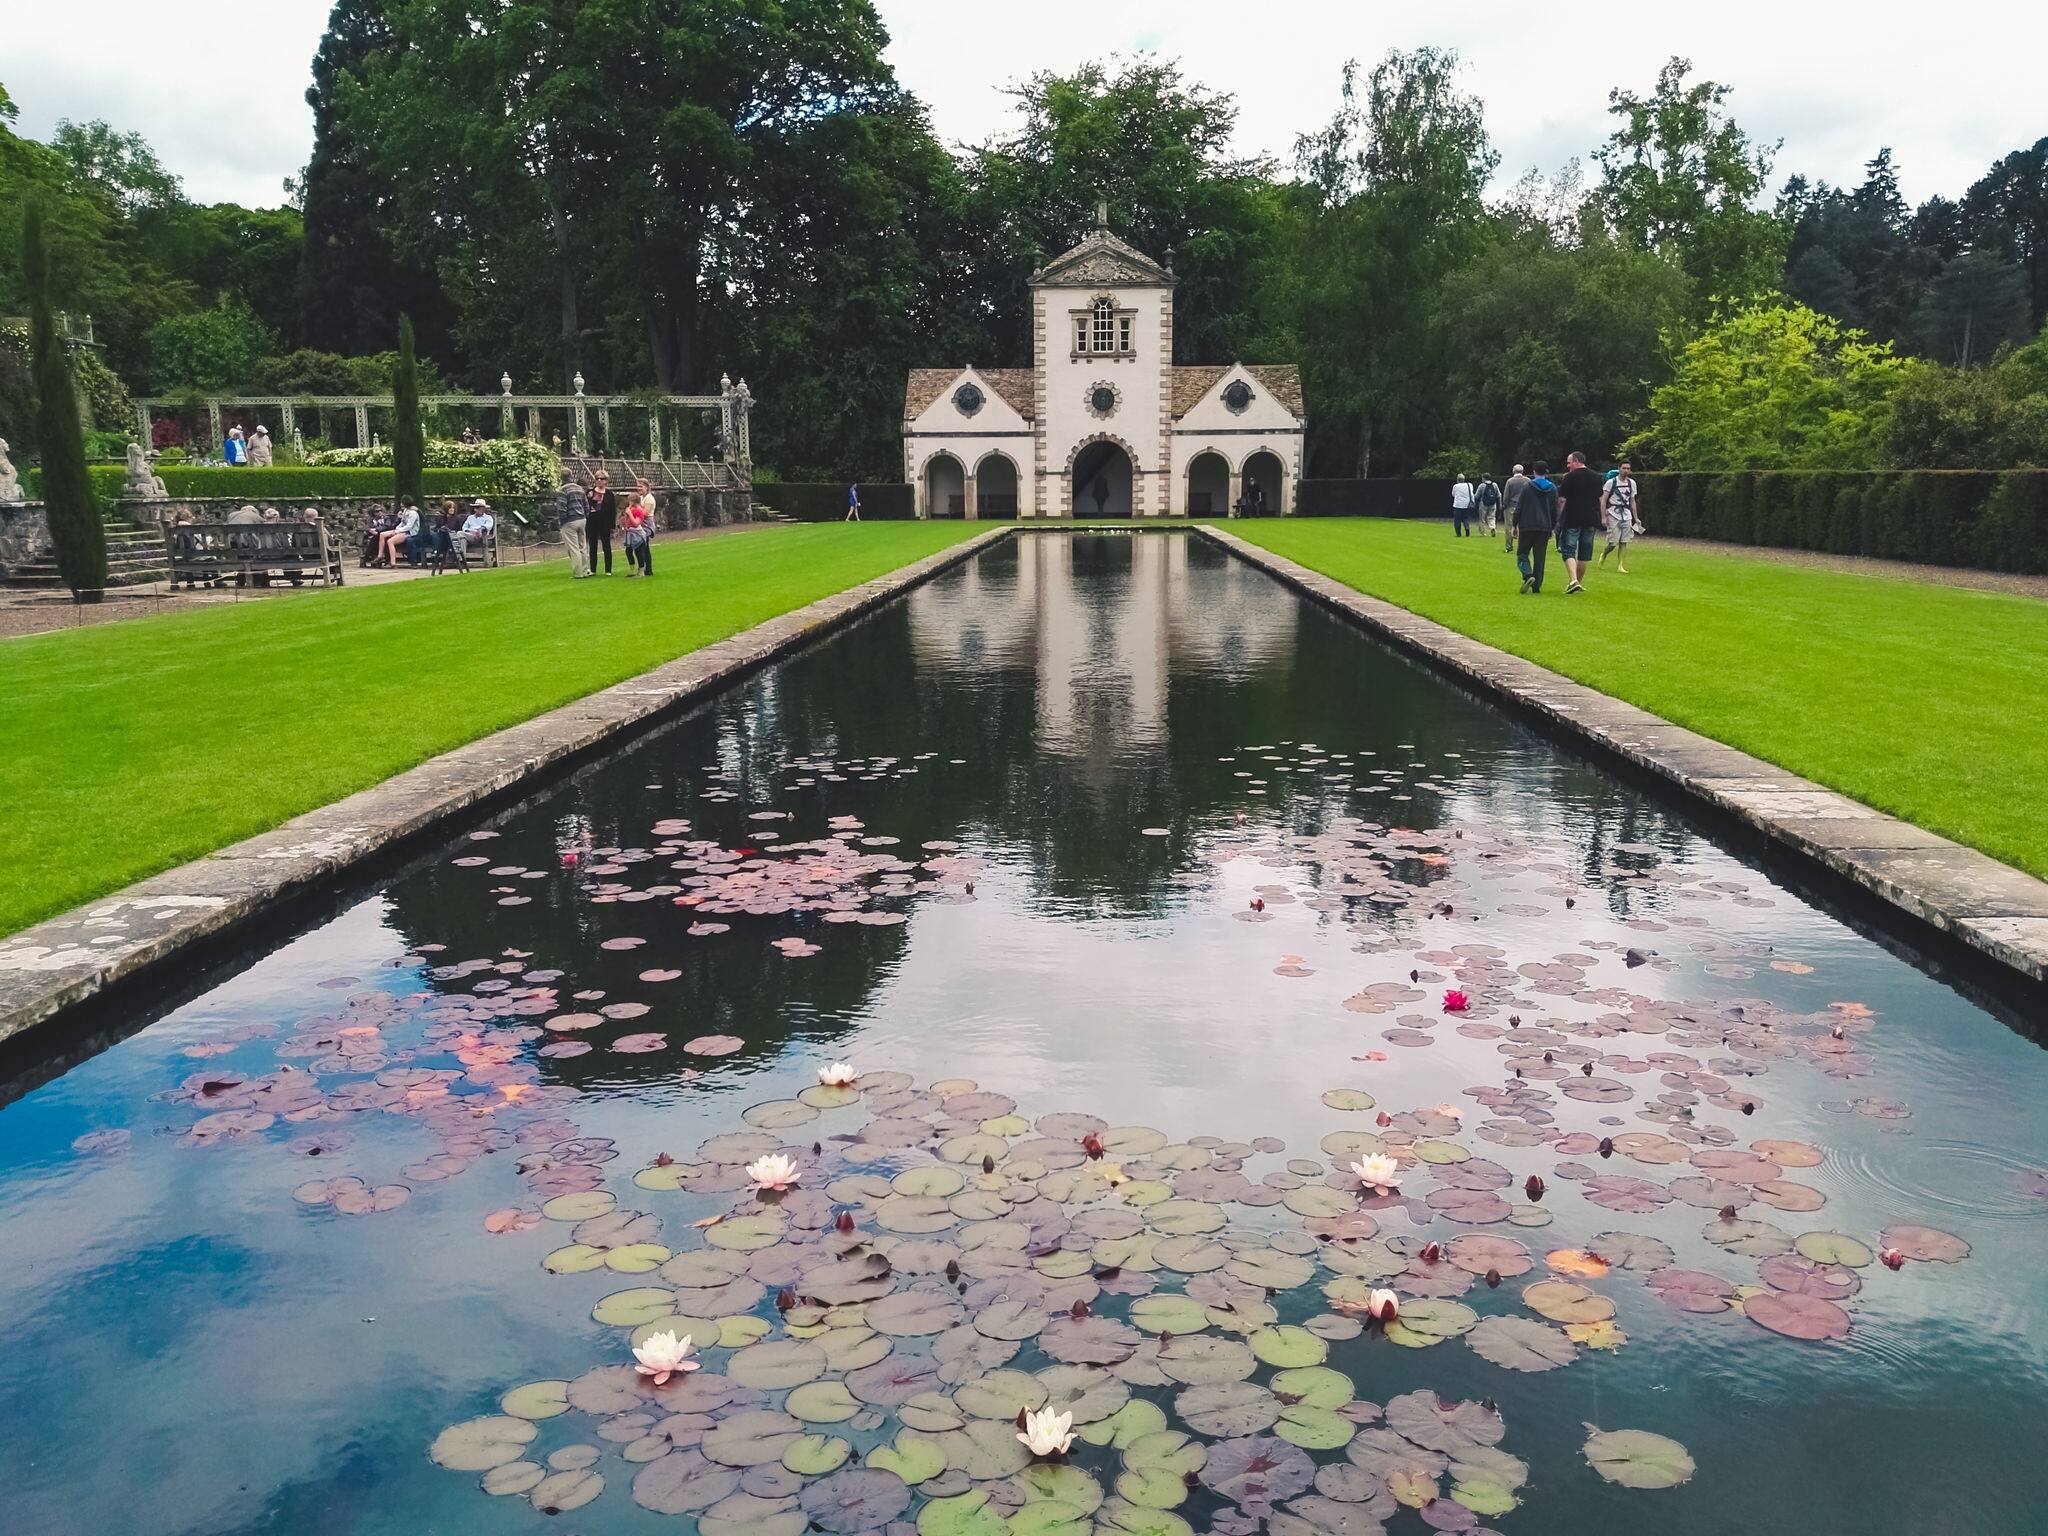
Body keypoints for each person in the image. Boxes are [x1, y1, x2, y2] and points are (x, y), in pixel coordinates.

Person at [1555, 450, 1605, 594]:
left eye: (1569, 462)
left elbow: (1562, 499)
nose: (1568, 465)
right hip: (1590, 519)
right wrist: (1602, 516)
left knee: (1569, 550)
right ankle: (1578, 583)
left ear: (1576, 461)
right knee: (1584, 553)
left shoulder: (1569, 477)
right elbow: (1600, 498)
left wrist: (1558, 517)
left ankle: (1573, 580)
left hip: (1573, 518)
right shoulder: (1596, 477)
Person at [1515, 462, 1558, 594]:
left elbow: (1520, 506)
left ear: (1534, 471)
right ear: (1546, 472)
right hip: (1544, 527)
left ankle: (1528, 575)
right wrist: (1552, 526)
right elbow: (1554, 510)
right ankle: (1536, 586)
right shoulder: (1553, 488)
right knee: (1540, 557)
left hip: (1527, 525)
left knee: (1522, 554)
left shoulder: (1527, 486)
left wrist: (1514, 524)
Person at [1599, 461, 1641, 571]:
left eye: (1628, 468)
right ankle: (1604, 553)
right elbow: (1603, 500)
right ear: (1619, 469)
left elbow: (1632, 501)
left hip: (1626, 514)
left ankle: (1620, 565)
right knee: (1613, 542)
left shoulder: (1632, 483)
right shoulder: (1610, 482)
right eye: (1624, 468)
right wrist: (1603, 517)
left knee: (1624, 541)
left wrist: (1636, 517)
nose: (1626, 470)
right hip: (1613, 513)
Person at [556, 470, 592, 578]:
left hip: (569, 521)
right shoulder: (579, 488)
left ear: (561, 478)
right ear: (571, 476)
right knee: (582, 547)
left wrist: (562, 522)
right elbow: (586, 506)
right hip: (582, 519)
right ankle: (585, 570)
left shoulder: (563, 490)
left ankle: (578, 573)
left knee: (573, 548)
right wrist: (584, 516)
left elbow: (562, 508)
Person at [585, 470, 618, 573]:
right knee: (592, 546)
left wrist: (612, 525)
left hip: (604, 523)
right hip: (592, 522)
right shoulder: (590, 493)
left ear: (606, 481)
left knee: (606, 546)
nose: (599, 480)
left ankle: (608, 570)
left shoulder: (609, 494)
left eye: (602, 479)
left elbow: (613, 510)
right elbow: (586, 507)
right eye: (597, 478)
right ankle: (593, 569)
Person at [377, 500, 420, 566]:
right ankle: (379, 556)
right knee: (382, 534)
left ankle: (393, 563)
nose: (401, 506)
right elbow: (402, 523)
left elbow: (409, 526)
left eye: (403, 504)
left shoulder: (413, 513)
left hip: (409, 532)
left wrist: (398, 531)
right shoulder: (405, 511)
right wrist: (396, 529)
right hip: (401, 530)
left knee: (390, 541)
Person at [622, 495, 653, 577]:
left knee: (638, 552)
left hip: (637, 533)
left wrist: (630, 514)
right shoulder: (631, 509)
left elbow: (636, 523)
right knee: (628, 551)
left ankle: (641, 571)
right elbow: (627, 521)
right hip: (630, 532)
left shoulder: (639, 510)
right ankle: (632, 570)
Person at [1501, 464, 1529, 554]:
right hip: (1524, 507)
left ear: (1513, 471)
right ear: (1523, 471)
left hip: (1511, 506)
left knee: (1509, 527)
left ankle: (1509, 546)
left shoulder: (1510, 481)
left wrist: (1504, 505)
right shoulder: (1528, 481)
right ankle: (1522, 547)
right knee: (1523, 527)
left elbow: (1506, 495)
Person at [1450, 472, 1474, 537]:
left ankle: (1458, 533)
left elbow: (1453, 494)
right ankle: (1467, 528)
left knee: (1457, 520)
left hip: (1457, 505)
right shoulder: (1469, 485)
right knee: (1465, 518)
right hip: (1466, 505)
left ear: (1458, 480)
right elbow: (1471, 494)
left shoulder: (1455, 486)